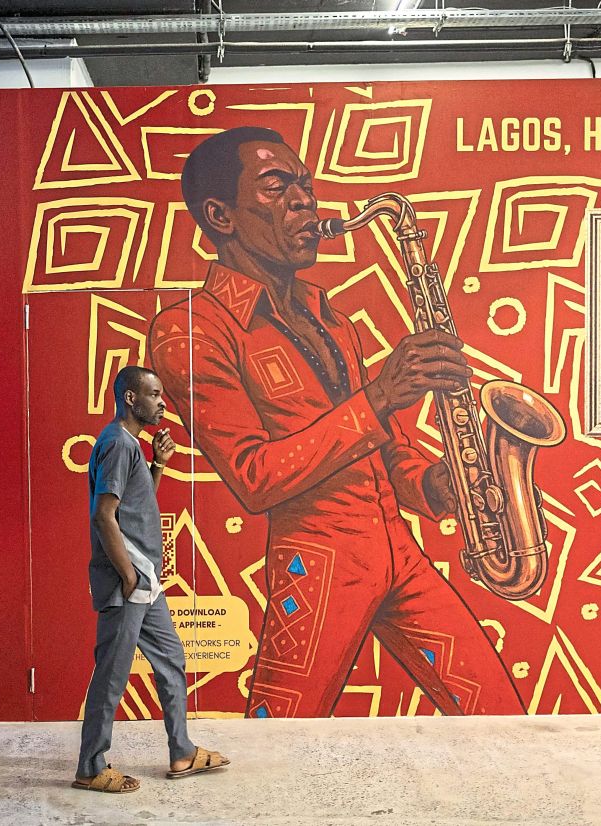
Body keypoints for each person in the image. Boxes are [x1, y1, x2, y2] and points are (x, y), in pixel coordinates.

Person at [149, 127, 523, 719]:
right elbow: (254, 477)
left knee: (500, 713)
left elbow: (387, 452)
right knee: (277, 745)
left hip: (398, 551)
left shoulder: (334, 321)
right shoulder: (192, 329)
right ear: (219, 215)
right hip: (315, 565)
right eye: (278, 187)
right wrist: (381, 395)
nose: (305, 202)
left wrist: (436, 485)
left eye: (305, 186)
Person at [73, 365, 229, 793]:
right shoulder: (118, 445)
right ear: (130, 398)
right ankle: (90, 766)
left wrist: (158, 464)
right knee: (112, 674)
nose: (162, 402)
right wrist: (126, 575)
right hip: (130, 583)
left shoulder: (131, 447)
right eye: (154, 394)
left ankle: (182, 752)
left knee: (170, 659)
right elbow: (104, 516)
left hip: (144, 582)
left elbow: (135, 508)